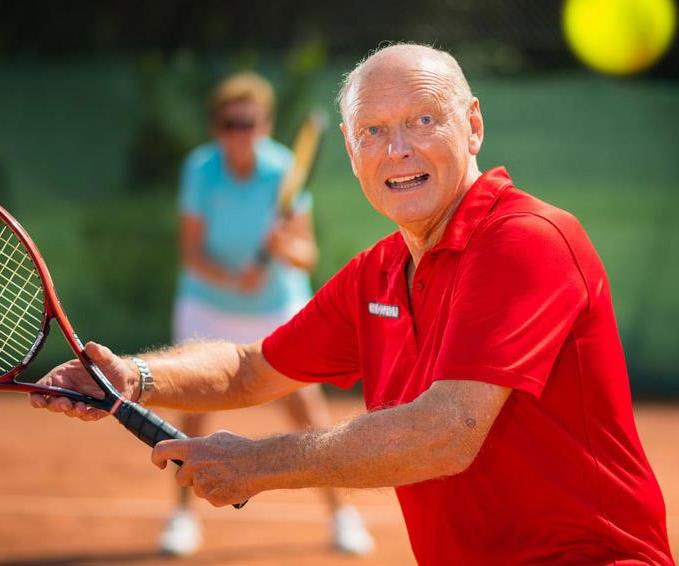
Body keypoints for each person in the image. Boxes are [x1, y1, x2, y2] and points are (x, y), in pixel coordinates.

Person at [32, 44, 673, 565]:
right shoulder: (379, 272)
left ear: (473, 125)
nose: (399, 149)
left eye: (424, 119)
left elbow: (446, 434)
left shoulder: (526, 239)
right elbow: (253, 368)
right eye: (374, 130)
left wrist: (258, 464)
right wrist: (136, 377)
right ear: (350, 148)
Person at [162, 71, 373, 556]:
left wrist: (285, 247)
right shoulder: (201, 169)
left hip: (275, 307)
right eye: (231, 123)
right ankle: (180, 516)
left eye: (250, 123)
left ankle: (343, 516)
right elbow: (192, 252)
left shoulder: (283, 170)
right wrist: (231, 278)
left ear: (266, 124)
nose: (241, 133)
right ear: (218, 127)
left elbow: (306, 255)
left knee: (307, 411)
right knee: (194, 415)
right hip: (209, 305)